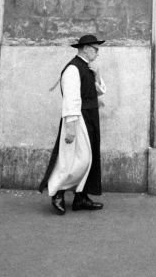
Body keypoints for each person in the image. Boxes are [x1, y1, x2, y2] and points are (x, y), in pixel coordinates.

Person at [38, 34, 107, 214]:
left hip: (90, 116)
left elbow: (98, 91)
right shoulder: (72, 69)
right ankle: (58, 192)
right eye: (95, 49)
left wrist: (97, 73)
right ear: (85, 48)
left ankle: (80, 198)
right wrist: (70, 126)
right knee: (79, 159)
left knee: (89, 159)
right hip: (79, 118)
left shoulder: (87, 67)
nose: (97, 53)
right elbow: (71, 99)